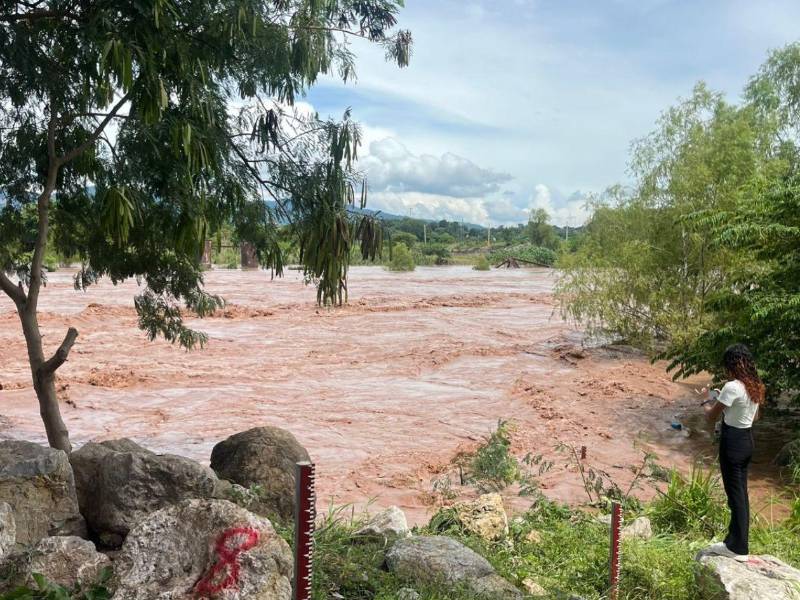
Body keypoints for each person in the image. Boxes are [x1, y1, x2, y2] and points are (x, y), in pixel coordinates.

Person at [700, 343, 765, 561]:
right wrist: (724, 401)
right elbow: (754, 417)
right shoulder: (755, 386)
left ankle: (738, 547)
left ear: (732, 364)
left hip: (733, 443)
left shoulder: (732, 387)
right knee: (740, 494)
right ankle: (734, 541)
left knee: (734, 495)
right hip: (747, 440)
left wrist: (707, 401)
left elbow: (711, 416)